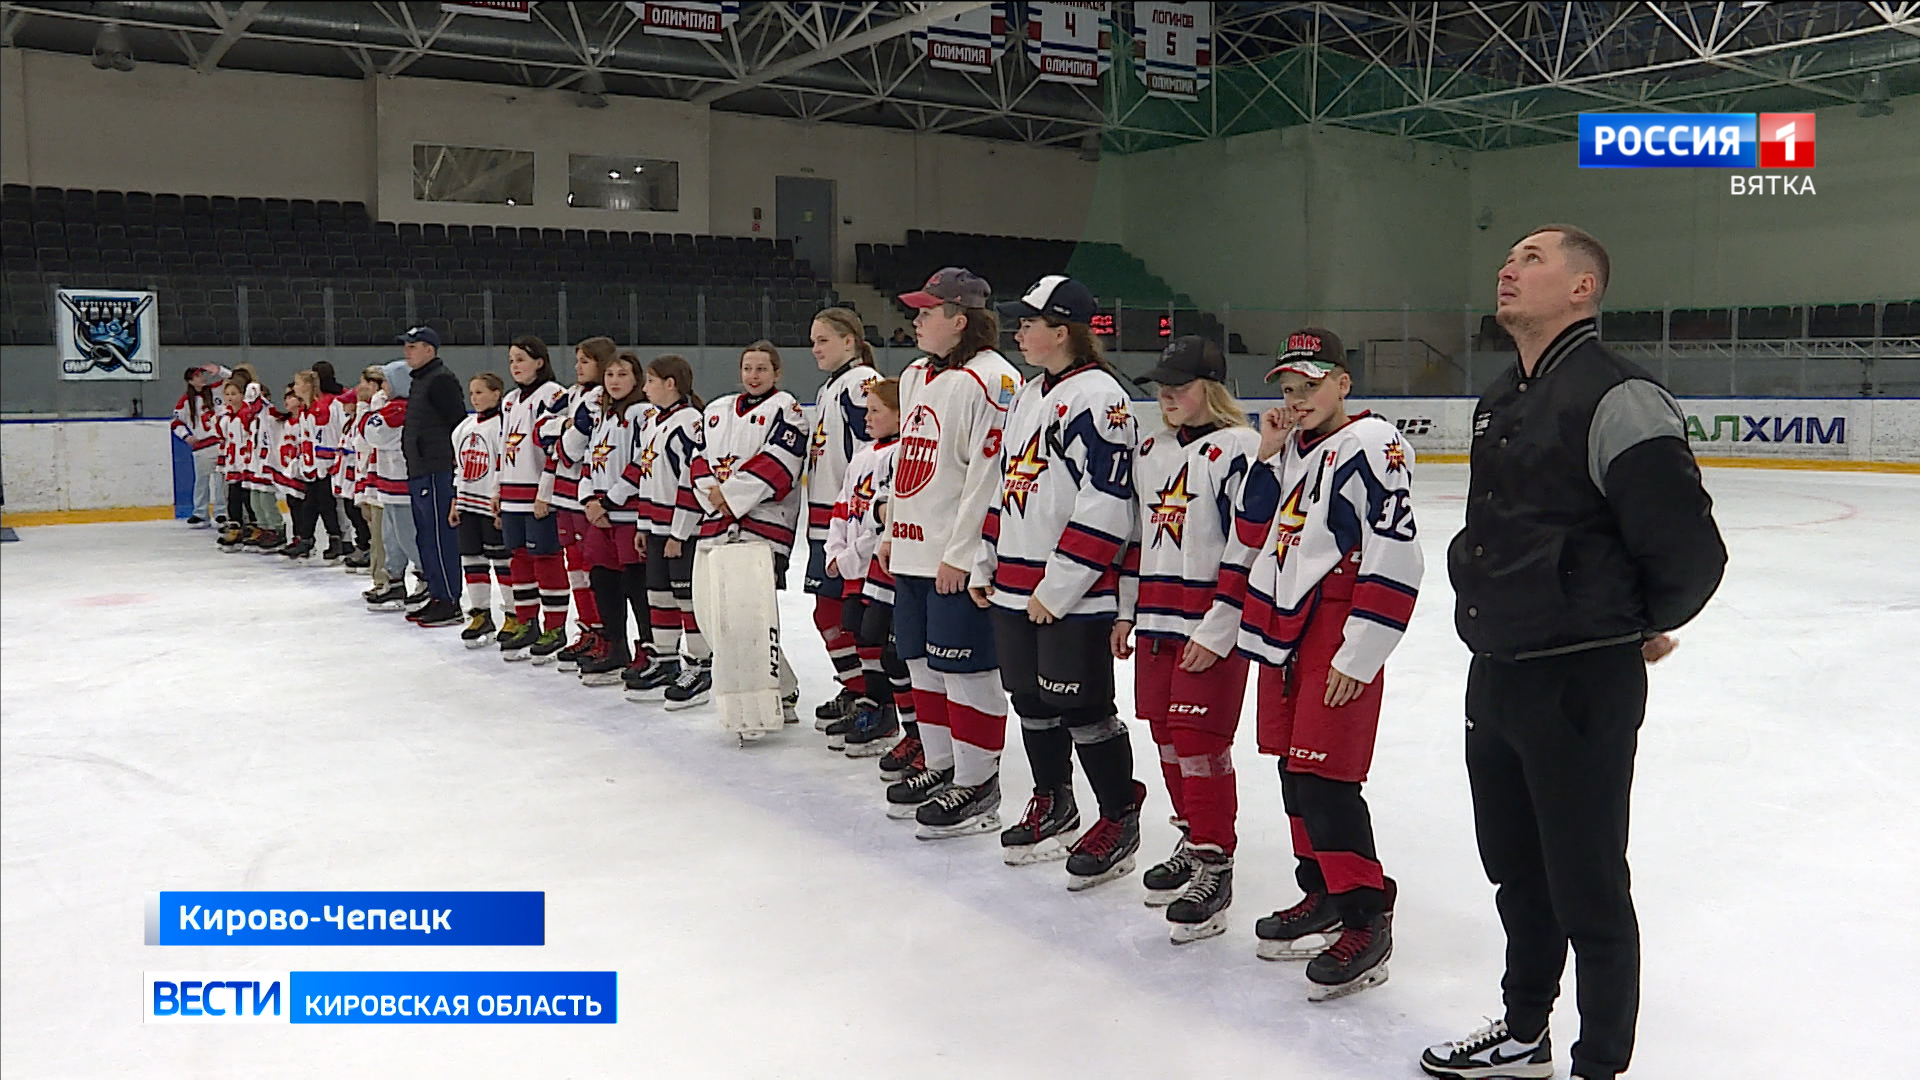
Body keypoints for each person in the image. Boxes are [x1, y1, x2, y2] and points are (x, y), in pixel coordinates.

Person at [1423, 226, 1726, 1080]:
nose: (1507, 269)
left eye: (1531, 259)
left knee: (1588, 888)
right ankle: (1525, 1033)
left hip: (1579, 679)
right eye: (1507, 257)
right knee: (1518, 876)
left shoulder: (1618, 396)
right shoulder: (1501, 397)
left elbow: (1689, 550)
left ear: (1584, 287)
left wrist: (1630, 620)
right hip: (1500, 671)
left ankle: (1600, 1064)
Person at [1219, 328, 1425, 1002]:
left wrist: (1362, 650)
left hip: (1336, 625)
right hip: (1285, 628)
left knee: (1327, 776)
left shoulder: (1372, 445)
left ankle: (1367, 913)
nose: (1296, 398)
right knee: (1292, 769)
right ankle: (1325, 893)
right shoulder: (1295, 448)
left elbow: (1396, 549)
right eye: (1287, 387)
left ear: (1343, 381)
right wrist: (1268, 452)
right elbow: (1250, 530)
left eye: (1310, 385)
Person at [969, 275, 1142, 874]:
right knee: (1031, 700)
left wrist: (1061, 584)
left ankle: (1118, 813)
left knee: (1084, 708)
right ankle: (1054, 799)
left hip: (1073, 595)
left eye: (1030, 322)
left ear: (1061, 331)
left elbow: (1110, 500)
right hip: (1016, 585)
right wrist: (985, 557)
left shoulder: (1099, 397)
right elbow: (1008, 482)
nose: (1020, 330)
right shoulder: (1028, 393)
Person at [1116, 336, 1260, 942]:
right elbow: (1135, 538)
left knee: (1200, 741)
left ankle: (1214, 862)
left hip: (1206, 622)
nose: (1168, 395)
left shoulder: (1241, 450)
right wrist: (1127, 612)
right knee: (1167, 737)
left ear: (1214, 387)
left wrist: (1221, 627)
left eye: (1181, 384)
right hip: (1155, 619)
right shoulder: (1150, 449)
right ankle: (1190, 836)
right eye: (1161, 386)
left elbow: (1248, 546)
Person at [880, 268, 1022, 825]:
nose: (915, 320)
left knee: (965, 667)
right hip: (913, 550)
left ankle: (977, 778)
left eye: (926, 312)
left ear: (959, 321)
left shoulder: (995, 380)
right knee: (918, 659)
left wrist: (963, 554)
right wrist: (893, 530)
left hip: (952, 558)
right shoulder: (916, 374)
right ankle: (942, 763)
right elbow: (905, 462)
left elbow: (988, 477)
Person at [679, 340, 809, 717]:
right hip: (716, 526)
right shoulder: (717, 409)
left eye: (762, 369)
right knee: (718, 616)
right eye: (748, 368)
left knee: (753, 616)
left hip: (764, 528)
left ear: (777, 373)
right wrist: (715, 498)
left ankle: (778, 692)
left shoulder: (789, 410)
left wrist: (730, 496)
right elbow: (698, 458)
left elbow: (781, 463)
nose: (754, 376)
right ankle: (776, 686)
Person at [802, 307, 883, 727]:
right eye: (813, 340)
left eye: (823, 340)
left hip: (851, 525)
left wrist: (862, 518)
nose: (814, 348)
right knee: (829, 613)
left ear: (850, 341)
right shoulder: (834, 385)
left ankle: (874, 698)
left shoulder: (859, 383)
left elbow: (875, 449)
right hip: (828, 522)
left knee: (853, 614)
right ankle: (858, 689)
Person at [822, 378, 909, 756]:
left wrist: (850, 557)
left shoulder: (901, 454)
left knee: (881, 639)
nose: (867, 417)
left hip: (879, 567)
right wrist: (834, 551)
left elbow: (883, 522)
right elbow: (842, 508)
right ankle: (874, 704)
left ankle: (892, 713)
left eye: (876, 410)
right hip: (854, 568)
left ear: (901, 414)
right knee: (858, 631)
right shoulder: (862, 455)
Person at [625, 353, 708, 700]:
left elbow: (694, 480)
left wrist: (679, 532)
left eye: (650, 381)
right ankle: (667, 660)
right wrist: (644, 525)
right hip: (658, 528)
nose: (644, 388)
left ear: (670, 384)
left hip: (680, 532)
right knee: (658, 595)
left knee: (687, 599)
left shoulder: (689, 423)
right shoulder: (654, 423)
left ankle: (702, 668)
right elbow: (649, 479)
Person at [575, 352, 654, 687]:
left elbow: (643, 460)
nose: (615, 380)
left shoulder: (640, 414)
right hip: (602, 515)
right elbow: (588, 463)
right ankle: (615, 644)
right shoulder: (603, 416)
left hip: (628, 513)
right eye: (609, 374)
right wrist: (589, 499)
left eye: (623, 374)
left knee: (638, 586)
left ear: (636, 379)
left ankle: (651, 650)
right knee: (602, 579)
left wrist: (609, 500)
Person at [494, 337, 570, 659]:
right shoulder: (509, 400)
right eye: (511, 360)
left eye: (521, 359)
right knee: (519, 558)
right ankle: (527, 621)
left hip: (538, 495)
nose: (515, 366)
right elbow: (503, 447)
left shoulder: (553, 394)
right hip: (511, 494)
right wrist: (496, 489)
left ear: (540, 361)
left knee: (547, 559)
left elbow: (557, 447)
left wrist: (547, 492)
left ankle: (556, 625)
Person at [543, 337, 616, 666]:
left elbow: (569, 450)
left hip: (586, 496)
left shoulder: (601, 397)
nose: (578, 367)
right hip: (563, 494)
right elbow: (539, 431)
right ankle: (587, 629)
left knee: (593, 570)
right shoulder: (570, 395)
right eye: (577, 361)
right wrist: (565, 427)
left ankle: (605, 633)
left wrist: (561, 438)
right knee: (575, 570)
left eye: (585, 361)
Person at [397, 326, 467, 629]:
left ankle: (450, 599)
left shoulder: (440, 380)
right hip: (420, 469)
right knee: (425, 536)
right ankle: (437, 594)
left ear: (430, 349)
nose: (407, 351)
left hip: (437, 470)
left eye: (413, 346)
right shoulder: (421, 381)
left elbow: (457, 423)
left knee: (440, 536)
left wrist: (452, 463)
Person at [450, 372, 512, 645]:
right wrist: (455, 499)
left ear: (497, 393)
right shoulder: (464, 425)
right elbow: (460, 467)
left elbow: (506, 465)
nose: (475, 398)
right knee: (472, 560)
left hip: (491, 503)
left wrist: (501, 498)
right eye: (472, 393)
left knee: (502, 562)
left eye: (481, 392)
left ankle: (513, 614)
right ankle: (480, 613)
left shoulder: (504, 425)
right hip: (467, 503)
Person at [361, 360, 422, 612]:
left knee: (408, 536)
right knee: (390, 536)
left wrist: (368, 413)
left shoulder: (400, 409)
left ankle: (425, 578)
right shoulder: (392, 407)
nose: (382, 387)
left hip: (402, 483)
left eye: (385, 380)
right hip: (389, 483)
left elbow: (373, 434)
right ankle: (395, 581)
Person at [171, 365, 225, 526]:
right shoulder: (185, 401)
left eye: (202, 375)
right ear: (190, 381)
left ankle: (222, 511)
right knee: (202, 480)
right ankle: (200, 512)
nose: (202, 378)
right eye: (197, 376)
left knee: (221, 480)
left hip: (220, 443)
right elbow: (176, 422)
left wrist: (220, 370)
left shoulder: (215, 390)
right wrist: (186, 436)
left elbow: (234, 379)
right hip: (202, 446)